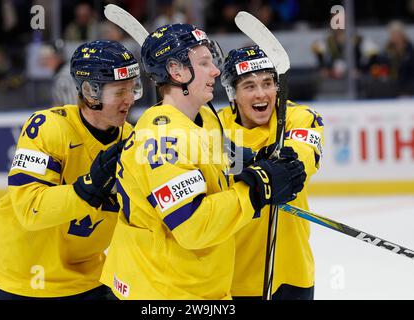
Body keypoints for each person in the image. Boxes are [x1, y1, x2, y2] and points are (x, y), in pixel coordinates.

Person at [100, 24, 306, 300]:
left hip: (198, 286)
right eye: (205, 63)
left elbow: (216, 163)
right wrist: (257, 190)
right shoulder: (163, 140)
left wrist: (258, 164)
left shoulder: (204, 118)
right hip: (159, 292)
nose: (216, 71)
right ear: (177, 71)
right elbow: (193, 226)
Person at [0, 40, 142, 300]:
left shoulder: (132, 139)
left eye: (133, 89)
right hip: (18, 282)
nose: (130, 99)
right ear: (91, 92)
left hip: (86, 280)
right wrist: (88, 187)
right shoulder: (46, 127)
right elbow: (30, 209)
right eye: (120, 91)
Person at [219, 45, 324, 300]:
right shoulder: (215, 127)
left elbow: (303, 158)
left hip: (291, 274)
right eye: (249, 86)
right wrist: (257, 167)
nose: (261, 94)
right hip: (232, 280)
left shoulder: (298, 117)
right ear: (233, 93)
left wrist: (281, 168)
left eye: (267, 83)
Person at [39, 41, 77, 106]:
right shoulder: (67, 71)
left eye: (46, 58)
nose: (44, 62)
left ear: (57, 57)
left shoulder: (64, 76)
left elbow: (72, 106)